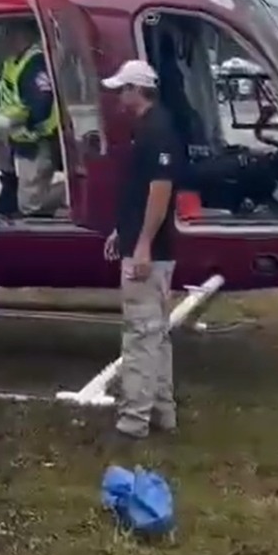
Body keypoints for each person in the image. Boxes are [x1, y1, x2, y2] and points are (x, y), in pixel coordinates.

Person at [99, 59, 181, 439]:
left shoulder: (156, 132)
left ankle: (134, 420)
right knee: (156, 334)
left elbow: (159, 191)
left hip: (148, 251)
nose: (118, 96)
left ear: (136, 91)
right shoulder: (151, 128)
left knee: (140, 334)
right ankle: (164, 412)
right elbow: (139, 192)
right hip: (143, 242)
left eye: (122, 90)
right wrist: (124, 229)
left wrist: (143, 243)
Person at [0, 20, 61, 219]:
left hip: (35, 137)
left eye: (8, 33)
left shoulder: (35, 63)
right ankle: (9, 196)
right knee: (0, 150)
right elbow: (7, 96)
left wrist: (9, 122)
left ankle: (67, 194)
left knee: (31, 206)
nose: (3, 39)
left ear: (21, 35)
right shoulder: (12, 62)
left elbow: (42, 104)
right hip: (15, 137)